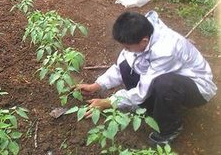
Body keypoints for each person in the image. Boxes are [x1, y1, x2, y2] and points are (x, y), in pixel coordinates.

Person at [76, 11, 217, 145]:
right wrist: (97, 85)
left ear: (144, 41)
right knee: (126, 66)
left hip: (196, 87)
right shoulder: (140, 34)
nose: (125, 50)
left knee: (165, 84)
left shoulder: (165, 50)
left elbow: (144, 88)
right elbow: (121, 66)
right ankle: (148, 108)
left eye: (128, 47)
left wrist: (109, 102)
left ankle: (169, 128)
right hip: (167, 77)